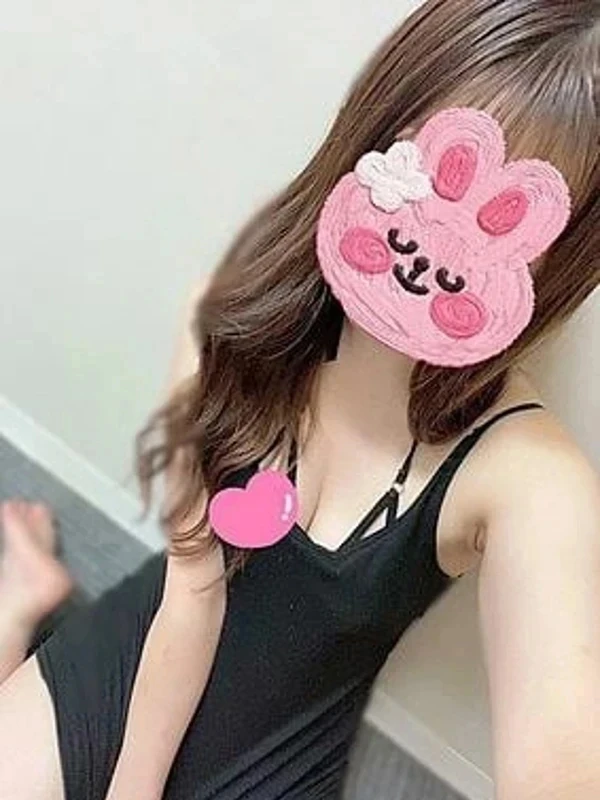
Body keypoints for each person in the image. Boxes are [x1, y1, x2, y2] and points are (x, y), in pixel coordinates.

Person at [1, 1, 599, 799]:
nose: (441, 238)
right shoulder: (232, 322)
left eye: (501, 224)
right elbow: (191, 594)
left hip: (280, 766)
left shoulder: (530, 477)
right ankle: (19, 604)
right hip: (142, 658)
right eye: (434, 178)